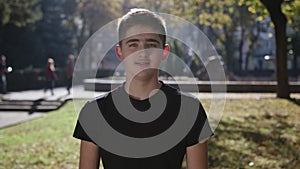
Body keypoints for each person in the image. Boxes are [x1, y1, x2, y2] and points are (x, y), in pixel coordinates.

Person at [73, 8, 213, 169]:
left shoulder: (190, 110)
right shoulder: (94, 112)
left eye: (151, 44)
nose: (142, 53)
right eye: (133, 44)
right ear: (120, 51)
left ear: (164, 52)